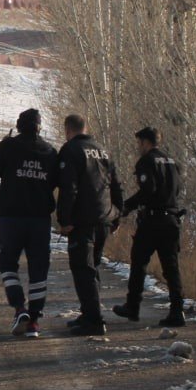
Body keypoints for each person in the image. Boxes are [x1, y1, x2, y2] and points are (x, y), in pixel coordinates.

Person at [0, 108, 59, 337]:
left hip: (12, 219)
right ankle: (34, 321)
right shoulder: (50, 151)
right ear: (39, 127)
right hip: (40, 221)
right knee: (38, 269)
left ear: (18, 126)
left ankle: (19, 308)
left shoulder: (8, 146)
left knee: (7, 264)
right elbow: (57, 182)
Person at [113, 126, 187, 327]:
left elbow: (148, 190)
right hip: (171, 220)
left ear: (146, 142)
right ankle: (177, 311)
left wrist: (126, 207)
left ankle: (132, 306)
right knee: (171, 268)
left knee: (139, 263)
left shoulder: (146, 161)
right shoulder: (172, 162)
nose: (138, 147)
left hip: (153, 221)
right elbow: (178, 189)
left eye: (139, 143)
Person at [56, 114, 123, 337]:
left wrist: (64, 220)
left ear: (68, 130)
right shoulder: (103, 150)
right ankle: (89, 313)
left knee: (83, 270)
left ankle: (94, 320)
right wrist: (116, 216)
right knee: (91, 268)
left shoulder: (71, 150)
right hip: (103, 218)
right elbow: (116, 186)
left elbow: (69, 187)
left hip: (82, 221)